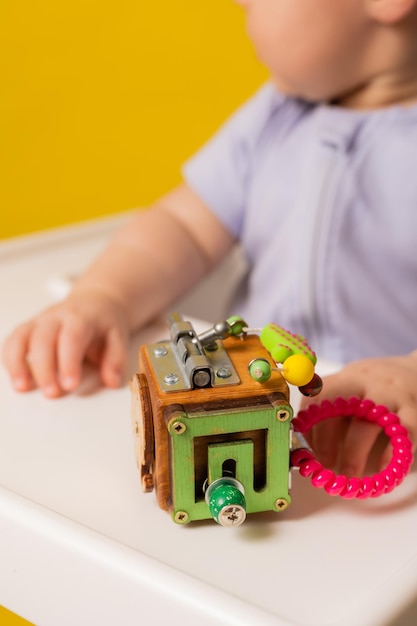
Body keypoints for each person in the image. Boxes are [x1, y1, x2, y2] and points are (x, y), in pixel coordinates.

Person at [3, 0, 417, 480]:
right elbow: (184, 227)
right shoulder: (275, 115)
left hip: (377, 450)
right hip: (250, 408)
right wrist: (103, 296)